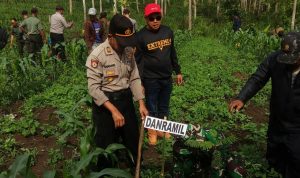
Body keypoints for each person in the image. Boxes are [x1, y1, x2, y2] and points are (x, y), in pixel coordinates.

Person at [229, 32, 300, 178]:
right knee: (273, 162)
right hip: (277, 122)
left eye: (292, 59)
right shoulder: (274, 59)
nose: (288, 62)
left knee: (295, 164)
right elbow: (258, 78)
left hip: (297, 127)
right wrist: (242, 98)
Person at [86, 14, 148, 170]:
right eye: (121, 42)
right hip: (106, 105)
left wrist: (141, 103)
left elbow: (134, 77)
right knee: (105, 147)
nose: (125, 46)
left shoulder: (127, 51)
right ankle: (105, 173)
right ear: (110, 36)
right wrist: (113, 111)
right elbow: (94, 89)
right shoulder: (97, 56)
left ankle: (136, 170)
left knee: (133, 141)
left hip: (125, 100)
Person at [135, 3, 183, 145]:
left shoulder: (168, 31)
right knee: (152, 106)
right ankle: (152, 132)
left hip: (166, 77)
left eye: (158, 17)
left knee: (164, 105)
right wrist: (140, 83)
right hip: (151, 79)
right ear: (146, 19)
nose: (155, 20)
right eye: (151, 18)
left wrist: (178, 71)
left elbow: (172, 53)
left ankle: (163, 129)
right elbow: (138, 62)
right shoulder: (141, 36)